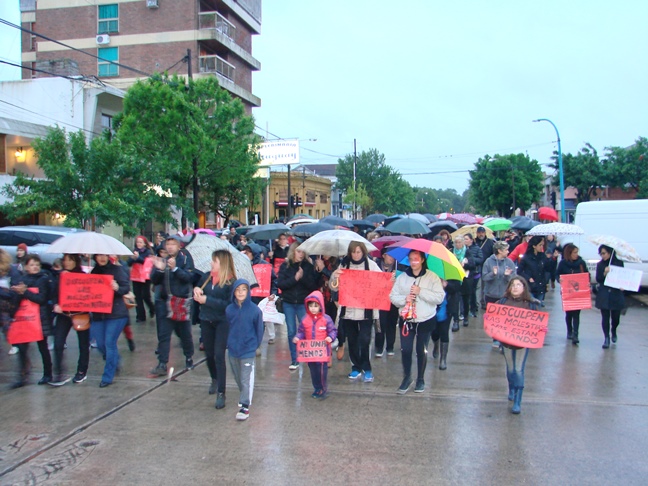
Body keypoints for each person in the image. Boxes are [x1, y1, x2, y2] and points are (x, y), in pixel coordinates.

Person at [390, 250, 445, 393]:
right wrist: (404, 299)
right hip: (407, 320)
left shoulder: (432, 277)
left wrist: (421, 292)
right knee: (406, 349)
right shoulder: (402, 277)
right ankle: (407, 377)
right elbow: (393, 297)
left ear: (421, 260)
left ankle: (420, 378)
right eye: (410, 259)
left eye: (416, 259)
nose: (413, 262)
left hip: (425, 319)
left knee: (421, 350)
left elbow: (439, 298)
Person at [330, 241, 382, 383]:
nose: (356, 254)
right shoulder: (344, 265)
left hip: (366, 310)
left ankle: (367, 367)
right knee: (352, 340)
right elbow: (334, 288)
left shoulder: (371, 265)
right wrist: (334, 277)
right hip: (348, 309)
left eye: (358, 252)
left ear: (363, 252)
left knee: (364, 340)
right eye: (353, 252)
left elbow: (382, 283)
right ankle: (356, 366)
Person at [193, 250, 236, 409]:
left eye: (215, 261)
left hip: (222, 321)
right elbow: (197, 286)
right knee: (209, 354)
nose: (212, 263)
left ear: (223, 263)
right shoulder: (206, 277)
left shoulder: (231, 282)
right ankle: (214, 378)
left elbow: (228, 305)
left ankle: (221, 392)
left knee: (219, 354)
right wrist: (197, 290)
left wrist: (207, 300)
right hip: (206, 319)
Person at [149, 235, 195, 376]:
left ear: (179, 246)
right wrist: (160, 270)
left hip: (180, 302)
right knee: (164, 334)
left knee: (184, 333)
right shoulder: (162, 260)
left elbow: (189, 278)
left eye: (173, 244)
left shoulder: (186, 259)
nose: (170, 247)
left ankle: (189, 356)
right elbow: (154, 280)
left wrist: (175, 269)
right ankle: (162, 363)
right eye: (168, 244)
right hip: (164, 302)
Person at [497, 276, 539, 414]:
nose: (515, 287)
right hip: (507, 342)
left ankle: (518, 401)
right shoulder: (502, 302)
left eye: (518, 285)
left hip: (522, 343)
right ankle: (511, 388)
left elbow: (538, 323)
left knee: (518, 369)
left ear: (524, 287)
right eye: (513, 285)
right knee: (510, 368)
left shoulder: (531, 304)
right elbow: (493, 317)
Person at [10, 254, 53, 388]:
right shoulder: (21, 279)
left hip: (39, 319)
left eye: (37, 265)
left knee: (43, 347)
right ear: (26, 267)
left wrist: (25, 292)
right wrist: (17, 293)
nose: (35, 267)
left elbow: (41, 299)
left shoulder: (43, 279)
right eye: (32, 264)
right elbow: (17, 302)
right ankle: (23, 375)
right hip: (24, 320)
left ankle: (47, 374)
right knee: (22, 348)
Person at [225, 279, 264, 421]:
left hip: (248, 350)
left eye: (244, 289)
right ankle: (244, 396)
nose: (241, 292)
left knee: (245, 377)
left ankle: (244, 406)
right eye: (238, 290)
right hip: (233, 349)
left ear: (248, 291)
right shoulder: (229, 310)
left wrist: (254, 346)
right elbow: (228, 327)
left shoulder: (255, 311)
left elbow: (259, 330)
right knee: (237, 376)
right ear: (234, 292)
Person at [276, 242, 319, 370]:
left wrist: (302, 277)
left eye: (303, 252)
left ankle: (307, 355)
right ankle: (294, 359)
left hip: (302, 302)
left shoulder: (308, 266)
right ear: (293, 252)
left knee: (306, 330)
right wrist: (295, 278)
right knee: (291, 332)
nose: (301, 254)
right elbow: (280, 284)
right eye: (299, 251)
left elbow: (312, 286)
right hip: (288, 302)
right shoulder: (286, 266)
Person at [90, 254, 130, 388]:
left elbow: (126, 288)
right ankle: (115, 360)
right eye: (99, 256)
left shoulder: (117, 270)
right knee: (101, 345)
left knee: (109, 343)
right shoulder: (93, 272)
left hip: (116, 313)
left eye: (104, 255)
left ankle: (108, 376)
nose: (102, 258)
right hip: (98, 314)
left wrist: (117, 288)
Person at [50, 254, 91, 386]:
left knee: (83, 344)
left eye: (70, 260)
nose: (67, 263)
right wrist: (56, 304)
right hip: (64, 314)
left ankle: (81, 371)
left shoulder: (83, 275)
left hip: (80, 313)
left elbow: (88, 293)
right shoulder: (60, 276)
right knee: (58, 342)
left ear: (76, 261)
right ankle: (59, 373)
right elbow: (54, 293)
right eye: (65, 260)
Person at [294, 290, 337, 399]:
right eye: (311, 306)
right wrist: (298, 338)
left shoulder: (326, 319)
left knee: (322, 372)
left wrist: (330, 337)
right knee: (313, 372)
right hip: (310, 353)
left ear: (320, 306)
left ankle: (323, 388)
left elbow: (333, 331)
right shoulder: (305, 320)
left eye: (315, 306)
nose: (313, 308)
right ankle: (317, 388)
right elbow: (301, 332)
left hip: (323, 353)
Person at [481, 241, 517, 347]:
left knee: (505, 318)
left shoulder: (509, 262)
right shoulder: (488, 262)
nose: (508, 251)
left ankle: (503, 339)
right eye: (506, 250)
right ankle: (495, 339)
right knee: (494, 319)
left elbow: (514, 278)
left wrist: (507, 276)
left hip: (505, 295)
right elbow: (484, 277)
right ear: (499, 251)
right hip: (491, 295)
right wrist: (493, 274)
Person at [242, 244, 278, 344]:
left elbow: (274, 281)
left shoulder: (266, 266)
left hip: (262, 298)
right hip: (248, 298)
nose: (246, 254)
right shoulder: (244, 265)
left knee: (260, 322)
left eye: (248, 252)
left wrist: (273, 294)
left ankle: (256, 344)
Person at [556, 243, 589, 345]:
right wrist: (559, 279)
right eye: (574, 252)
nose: (576, 254)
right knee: (569, 313)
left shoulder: (581, 263)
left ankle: (576, 334)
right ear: (569, 253)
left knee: (576, 314)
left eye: (577, 252)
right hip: (567, 291)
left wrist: (586, 280)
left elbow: (586, 274)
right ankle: (569, 330)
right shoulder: (563, 263)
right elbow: (557, 274)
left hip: (578, 292)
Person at [595, 245, 625, 349]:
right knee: (605, 316)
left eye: (604, 253)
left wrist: (623, 285)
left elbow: (622, 277)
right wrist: (604, 273)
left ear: (610, 253)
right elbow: (598, 279)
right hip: (604, 293)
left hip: (615, 293)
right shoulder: (600, 265)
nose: (602, 256)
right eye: (601, 254)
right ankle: (606, 337)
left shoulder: (619, 263)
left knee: (616, 317)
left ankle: (614, 330)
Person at [375, 248, 399, 357]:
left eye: (394, 256)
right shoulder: (376, 266)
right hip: (379, 299)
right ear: (384, 255)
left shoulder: (398, 268)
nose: (392, 259)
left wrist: (396, 278)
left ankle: (390, 346)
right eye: (390, 256)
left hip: (393, 300)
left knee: (391, 324)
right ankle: (379, 347)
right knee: (380, 324)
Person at [430, 280, 458, 370]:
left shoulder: (453, 273)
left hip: (447, 308)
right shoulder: (431, 273)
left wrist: (447, 285)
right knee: (434, 332)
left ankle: (443, 359)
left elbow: (457, 288)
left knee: (444, 332)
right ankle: (436, 344)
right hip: (433, 307)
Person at [127, 236, 155, 323]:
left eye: (140, 242)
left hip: (145, 277)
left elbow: (146, 263)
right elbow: (128, 263)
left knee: (146, 295)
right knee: (137, 296)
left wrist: (138, 258)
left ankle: (152, 308)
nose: (139, 244)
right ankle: (140, 316)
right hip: (136, 276)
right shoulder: (133, 252)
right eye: (137, 242)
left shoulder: (148, 252)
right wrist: (132, 258)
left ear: (144, 243)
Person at [517, 236, 548, 306]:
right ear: (534, 246)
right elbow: (519, 271)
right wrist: (528, 278)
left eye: (542, 245)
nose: (541, 247)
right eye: (540, 245)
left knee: (538, 308)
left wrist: (553, 259)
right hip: (530, 287)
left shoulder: (542, 256)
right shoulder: (526, 257)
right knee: (531, 307)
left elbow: (548, 268)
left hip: (541, 286)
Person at [463, 233, 484, 317]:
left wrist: (470, 259)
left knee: (472, 292)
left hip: (474, 273)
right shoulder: (462, 249)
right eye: (464, 239)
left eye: (467, 239)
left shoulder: (477, 248)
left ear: (471, 240)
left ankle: (473, 308)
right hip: (464, 273)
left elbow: (480, 259)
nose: (465, 241)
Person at [475, 226, 495, 310]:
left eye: (482, 232)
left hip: (487, 267)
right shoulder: (474, 242)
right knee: (477, 286)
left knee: (485, 285)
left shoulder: (490, 242)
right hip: (477, 267)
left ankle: (484, 302)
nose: (481, 234)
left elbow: (493, 254)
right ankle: (476, 303)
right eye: (479, 233)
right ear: (477, 233)